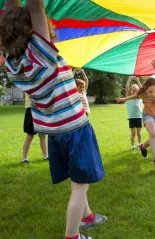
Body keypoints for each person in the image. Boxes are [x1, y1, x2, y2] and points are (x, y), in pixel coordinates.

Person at [0, 1, 107, 238]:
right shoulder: (42, 55)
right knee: (80, 186)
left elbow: (11, 12)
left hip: (54, 131)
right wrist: (34, 11)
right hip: (75, 129)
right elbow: (36, 5)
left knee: (78, 178)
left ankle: (87, 217)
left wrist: (12, 11)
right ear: (34, 32)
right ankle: (73, 235)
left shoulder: (12, 63)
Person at [22, 93, 48, 163]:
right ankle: (24, 158)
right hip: (31, 109)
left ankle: (46, 156)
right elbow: (31, 95)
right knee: (30, 135)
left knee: (42, 135)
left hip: (41, 109)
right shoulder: (28, 84)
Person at [124, 76, 143, 150]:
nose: (134, 92)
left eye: (136, 91)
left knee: (139, 133)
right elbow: (126, 87)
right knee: (133, 133)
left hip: (139, 117)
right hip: (131, 118)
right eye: (133, 91)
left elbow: (142, 89)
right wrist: (129, 79)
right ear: (130, 91)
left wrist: (137, 80)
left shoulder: (139, 97)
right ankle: (133, 146)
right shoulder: (128, 97)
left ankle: (139, 144)